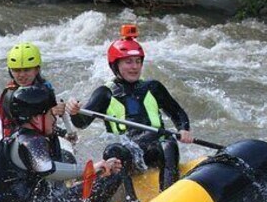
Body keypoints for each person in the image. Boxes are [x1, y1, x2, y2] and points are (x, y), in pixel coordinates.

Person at [68, 24, 193, 193]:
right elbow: (82, 123)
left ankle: (169, 193)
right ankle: (129, 201)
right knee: (113, 150)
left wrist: (183, 129)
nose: (134, 67)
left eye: (138, 62)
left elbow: (177, 113)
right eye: (128, 62)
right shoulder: (105, 93)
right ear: (115, 65)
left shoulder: (153, 87)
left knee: (168, 142)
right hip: (128, 152)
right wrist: (75, 112)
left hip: (153, 148)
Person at [0, 86, 123, 202]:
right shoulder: (29, 142)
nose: (54, 119)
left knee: (67, 157)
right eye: (50, 114)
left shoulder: (17, 138)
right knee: (112, 179)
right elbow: (50, 170)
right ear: (36, 118)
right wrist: (91, 169)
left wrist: (93, 172)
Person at [0, 42, 69, 139]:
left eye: (26, 70)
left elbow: (43, 123)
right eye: (17, 70)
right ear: (11, 71)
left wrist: (64, 134)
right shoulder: (9, 94)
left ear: (37, 69)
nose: (22, 75)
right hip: (18, 142)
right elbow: (24, 118)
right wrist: (50, 109)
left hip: (43, 139)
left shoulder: (45, 88)